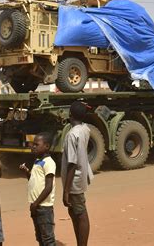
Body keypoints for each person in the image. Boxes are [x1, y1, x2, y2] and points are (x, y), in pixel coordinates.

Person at [61, 101, 94, 246]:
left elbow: (72, 164)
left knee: (80, 214)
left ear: (70, 114)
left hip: (74, 181)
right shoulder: (84, 129)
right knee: (74, 213)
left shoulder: (71, 135)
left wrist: (66, 191)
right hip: (80, 178)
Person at [20, 132, 56, 246]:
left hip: (43, 207)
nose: (33, 146)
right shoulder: (37, 161)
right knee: (40, 237)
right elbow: (34, 180)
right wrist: (27, 172)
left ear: (46, 146)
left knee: (48, 239)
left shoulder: (49, 163)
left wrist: (36, 203)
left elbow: (48, 187)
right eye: (33, 144)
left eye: (36, 144)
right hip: (36, 206)